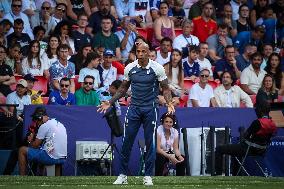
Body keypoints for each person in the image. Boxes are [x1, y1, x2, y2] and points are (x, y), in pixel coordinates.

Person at [97, 41, 174, 186]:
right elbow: (122, 89)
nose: (140, 54)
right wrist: (110, 101)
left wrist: (169, 103)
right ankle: (122, 175)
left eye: (143, 51)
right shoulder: (130, 68)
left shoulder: (157, 68)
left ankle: (148, 176)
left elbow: (166, 89)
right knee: (127, 141)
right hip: (134, 109)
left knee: (150, 143)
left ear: (148, 52)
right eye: (138, 51)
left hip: (151, 109)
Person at [215, 100, 277, 175]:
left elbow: (245, 135)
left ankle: (217, 175)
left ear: (260, 111)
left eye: (256, 110)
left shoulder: (257, 122)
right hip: (262, 151)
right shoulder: (273, 124)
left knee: (219, 149)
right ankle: (236, 175)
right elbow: (271, 136)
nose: (255, 112)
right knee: (236, 151)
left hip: (248, 149)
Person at [18, 106, 67, 175]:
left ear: (40, 118)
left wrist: (30, 141)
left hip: (51, 158)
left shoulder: (44, 126)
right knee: (42, 151)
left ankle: (21, 178)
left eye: (37, 121)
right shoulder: (59, 124)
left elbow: (35, 145)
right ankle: (52, 178)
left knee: (22, 150)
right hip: (63, 158)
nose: (37, 123)